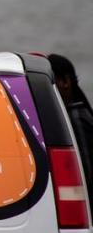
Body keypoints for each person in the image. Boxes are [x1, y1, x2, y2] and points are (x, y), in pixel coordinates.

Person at [48, 53, 93, 199]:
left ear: (66, 81)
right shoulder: (76, 115)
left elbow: (86, 174)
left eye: (50, 83)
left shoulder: (77, 120)